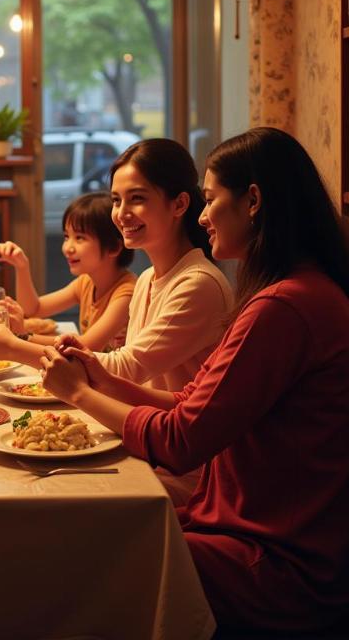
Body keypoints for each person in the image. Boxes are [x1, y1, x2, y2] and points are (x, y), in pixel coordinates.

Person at [40, 127, 349, 634]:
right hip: (249, 527)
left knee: (82, 552)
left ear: (252, 201)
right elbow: (189, 400)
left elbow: (181, 439)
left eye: (209, 201)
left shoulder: (283, 307)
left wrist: (78, 392)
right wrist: (98, 376)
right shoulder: (288, 294)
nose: (203, 217)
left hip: (278, 557)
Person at [0, 138, 233, 504]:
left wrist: (15, 348)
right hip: (141, 442)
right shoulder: (149, 280)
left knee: (35, 497)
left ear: (180, 204)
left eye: (137, 198)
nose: (122, 212)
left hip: (180, 469)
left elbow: (125, 369)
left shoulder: (198, 284)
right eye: (116, 200)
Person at [0, 193, 136, 367]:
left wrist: (23, 335)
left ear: (114, 247)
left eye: (80, 238)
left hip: (112, 388)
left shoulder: (126, 293)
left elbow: (85, 347)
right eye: (66, 236)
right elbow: (34, 308)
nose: (67, 248)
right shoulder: (86, 282)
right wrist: (21, 266)